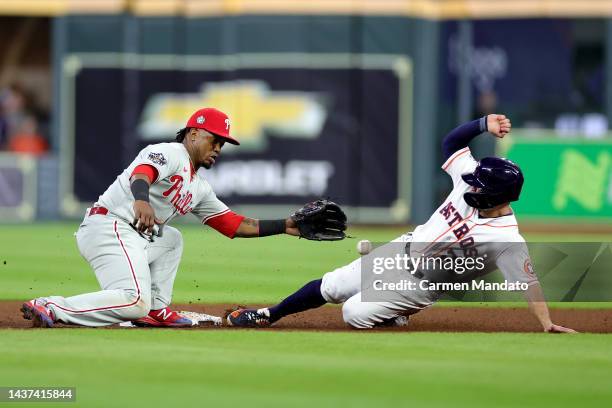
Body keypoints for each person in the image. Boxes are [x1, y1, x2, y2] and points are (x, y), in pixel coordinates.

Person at [227, 114, 577, 333]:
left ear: (498, 196)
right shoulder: (471, 176)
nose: (472, 183)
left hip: (422, 285)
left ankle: (395, 314)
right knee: (332, 286)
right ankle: (268, 315)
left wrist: (546, 324)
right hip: (401, 249)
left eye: (479, 185)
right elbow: (451, 142)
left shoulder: (506, 240)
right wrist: (483, 124)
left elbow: (529, 283)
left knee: (353, 314)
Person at [21, 108, 318, 328]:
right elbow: (143, 173)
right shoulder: (171, 152)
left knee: (172, 238)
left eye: (221, 144)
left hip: (132, 235)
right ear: (193, 133)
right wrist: (141, 200)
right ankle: (52, 306)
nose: (217, 148)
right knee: (133, 300)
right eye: (214, 140)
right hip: (109, 225)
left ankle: (156, 311)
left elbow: (233, 224)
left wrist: (286, 226)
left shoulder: (199, 186)